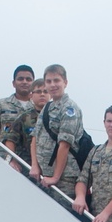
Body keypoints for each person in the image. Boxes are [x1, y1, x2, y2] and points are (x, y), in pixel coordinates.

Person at [31, 64, 86, 200]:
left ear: (65, 83)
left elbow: (64, 144)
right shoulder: (47, 107)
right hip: (43, 175)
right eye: (49, 81)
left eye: (56, 80)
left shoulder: (70, 109)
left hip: (64, 179)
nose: (53, 85)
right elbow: (35, 137)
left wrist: (55, 177)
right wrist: (34, 166)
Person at [4, 78, 49, 170]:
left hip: (50, 168)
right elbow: (10, 140)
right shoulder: (24, 118)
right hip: (28, 167)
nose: (42, 94)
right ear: (31, 95)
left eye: (45, 91)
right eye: (38, 91)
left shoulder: (57, 117)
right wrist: (12, 160)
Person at [0, 65, 34, 145]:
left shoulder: (38, 107)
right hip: (5, 155)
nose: (24, 82)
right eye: (20, 79)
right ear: (14, 83)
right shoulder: (1, 104)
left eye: (28, 79)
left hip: (30, 157)